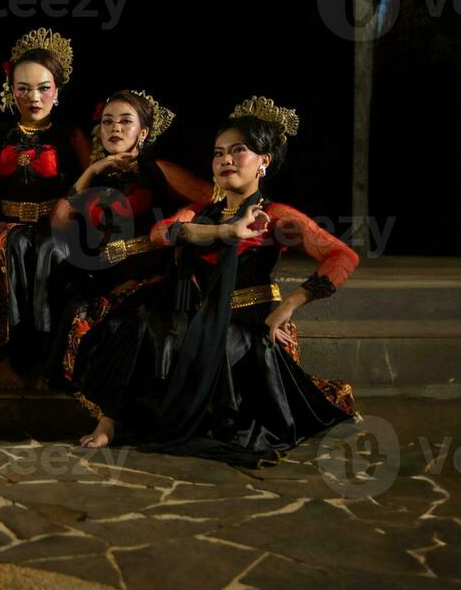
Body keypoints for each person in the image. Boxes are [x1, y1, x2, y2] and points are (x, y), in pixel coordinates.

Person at [72, 97, 359, 466]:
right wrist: (226, 230)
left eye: (239, 151)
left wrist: (288, 306)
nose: (226, 160)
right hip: (203, 318)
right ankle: (113, 420)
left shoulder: (276, 215)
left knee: (219, 343)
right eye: (219, 152)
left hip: (252, 324)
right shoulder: (203, 212)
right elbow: (162, 233)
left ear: (264, 162)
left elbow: (343, 256)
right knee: (145, 323)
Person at [50, 89, 211, 387]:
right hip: (106, 276)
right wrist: (93, 170)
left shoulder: (158, 170)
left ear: (143, 132)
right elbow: (59, 222)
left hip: (150, 275)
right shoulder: (97, 177)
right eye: (108, 122)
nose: (115, 128)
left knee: (126, 322)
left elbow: (214, 198)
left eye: (125, 122)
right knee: (77, 313)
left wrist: (182, 219)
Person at [0, 28, 93, 390]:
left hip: (56, 228)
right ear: (12, 90)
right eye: (23, 88)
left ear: (57, 90)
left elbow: (93, 188)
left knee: (48, 251)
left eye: (43, 88)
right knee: (10, 245)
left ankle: (44, 362)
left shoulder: (71, 136)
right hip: (8, 225)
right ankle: (4, 360)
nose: (33, 97)